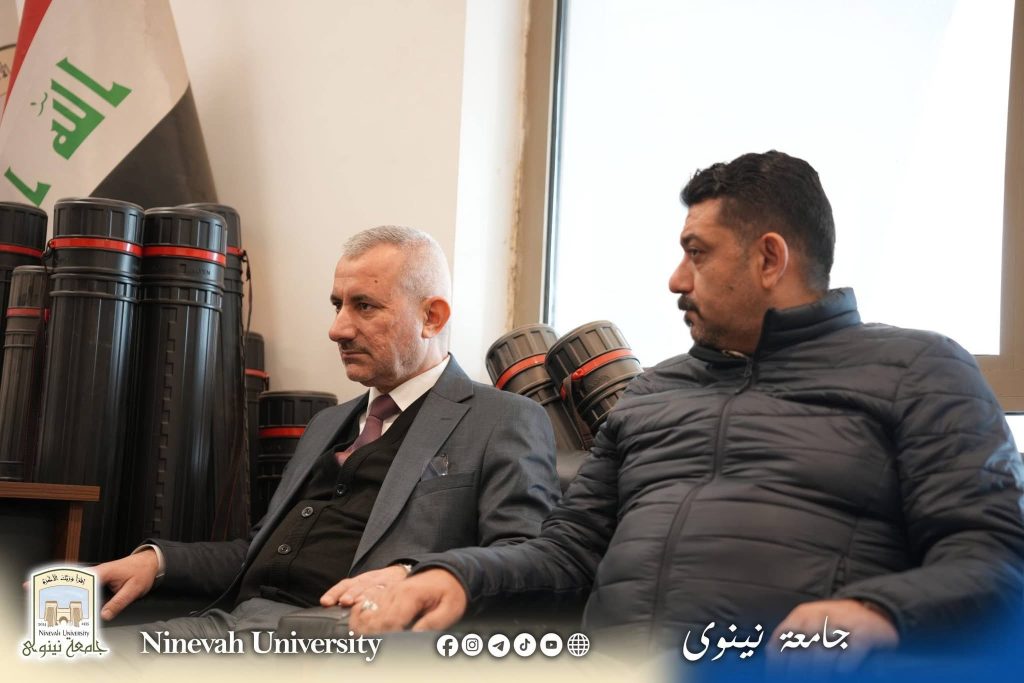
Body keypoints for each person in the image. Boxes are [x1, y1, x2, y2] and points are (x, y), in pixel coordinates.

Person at [350, 152, 1024, 670]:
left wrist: (877, 611)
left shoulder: (918, 370)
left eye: (697, 253)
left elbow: (994, 557)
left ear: (769, 258)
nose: (675, 278)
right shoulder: (653, 393)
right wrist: (456, 575)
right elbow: (567, 551)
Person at [95, 225, 561, 638]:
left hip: (338, 643)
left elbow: (529, 557)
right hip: (225, 628)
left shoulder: (502, 419)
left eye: (364, 306)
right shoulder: (325, 425)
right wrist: (157, 562)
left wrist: (411, 574)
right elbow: (262, 551)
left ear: (432, 317)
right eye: (338, 305)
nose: (338, 329)